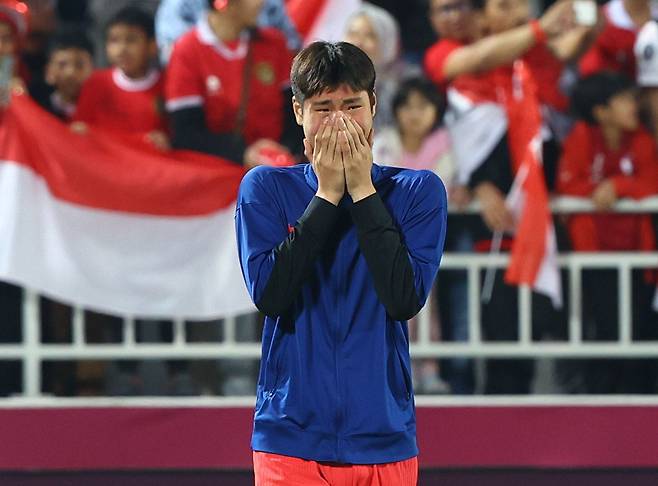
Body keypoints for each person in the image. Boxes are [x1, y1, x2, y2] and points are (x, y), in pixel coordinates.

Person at [236, 41, 446, 484]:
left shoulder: (418, 192)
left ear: (373, 106)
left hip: (384, 438)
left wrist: (363, 191)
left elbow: (402, 298)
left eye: (351, 106)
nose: (339, 122)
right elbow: (270, 294)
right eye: (323, 108)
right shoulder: (265, 188)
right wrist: (327, 195)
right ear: (298, 112)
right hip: (288, 439)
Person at [557, 72, 658, 393]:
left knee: (640, 332)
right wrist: (598, 189)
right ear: (601, 112)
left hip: (639, 261)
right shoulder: (581, 138)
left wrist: (619, 185)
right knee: (602, 332)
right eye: (626, 100)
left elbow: (651, 182)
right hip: (594, 260)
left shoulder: (642, 139)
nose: (635, 106)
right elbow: (567, 185)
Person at [165, 0, 298, 166]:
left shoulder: (274, 42)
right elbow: (185, 134)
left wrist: (285, 150)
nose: (260, 3)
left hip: (280, 166)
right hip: (222, 175)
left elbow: (295, 113)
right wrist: (243, 153)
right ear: (223, 3)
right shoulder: (187, 51)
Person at [72, 6, 168, 151]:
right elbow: (78, 131)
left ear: (152, 46)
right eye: (114, 41)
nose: (122, 49)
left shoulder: (166, 85)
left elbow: (172, 139)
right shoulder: (96, 83)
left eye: (131, 40)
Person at [343, 3, 413, 131]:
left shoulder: (405, 83)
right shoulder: (328, 79)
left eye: (370, 36)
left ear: (387, 41)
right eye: (353, 34)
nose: (358, 42)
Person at [31, 28, 94, 120]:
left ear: (93, 70)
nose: (71, 73)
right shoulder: (36, 110)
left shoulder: (103, 112)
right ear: (48, 72)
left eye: (79, 65)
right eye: (62, 65)